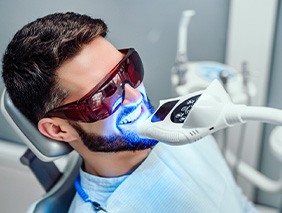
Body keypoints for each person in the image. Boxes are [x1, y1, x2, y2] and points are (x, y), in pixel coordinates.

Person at [2, 12, 257, 212]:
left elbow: (238, 204)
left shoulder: (186, 123)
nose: (136, 97)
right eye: (104, 95)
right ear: (58, 129)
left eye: (128, 70)